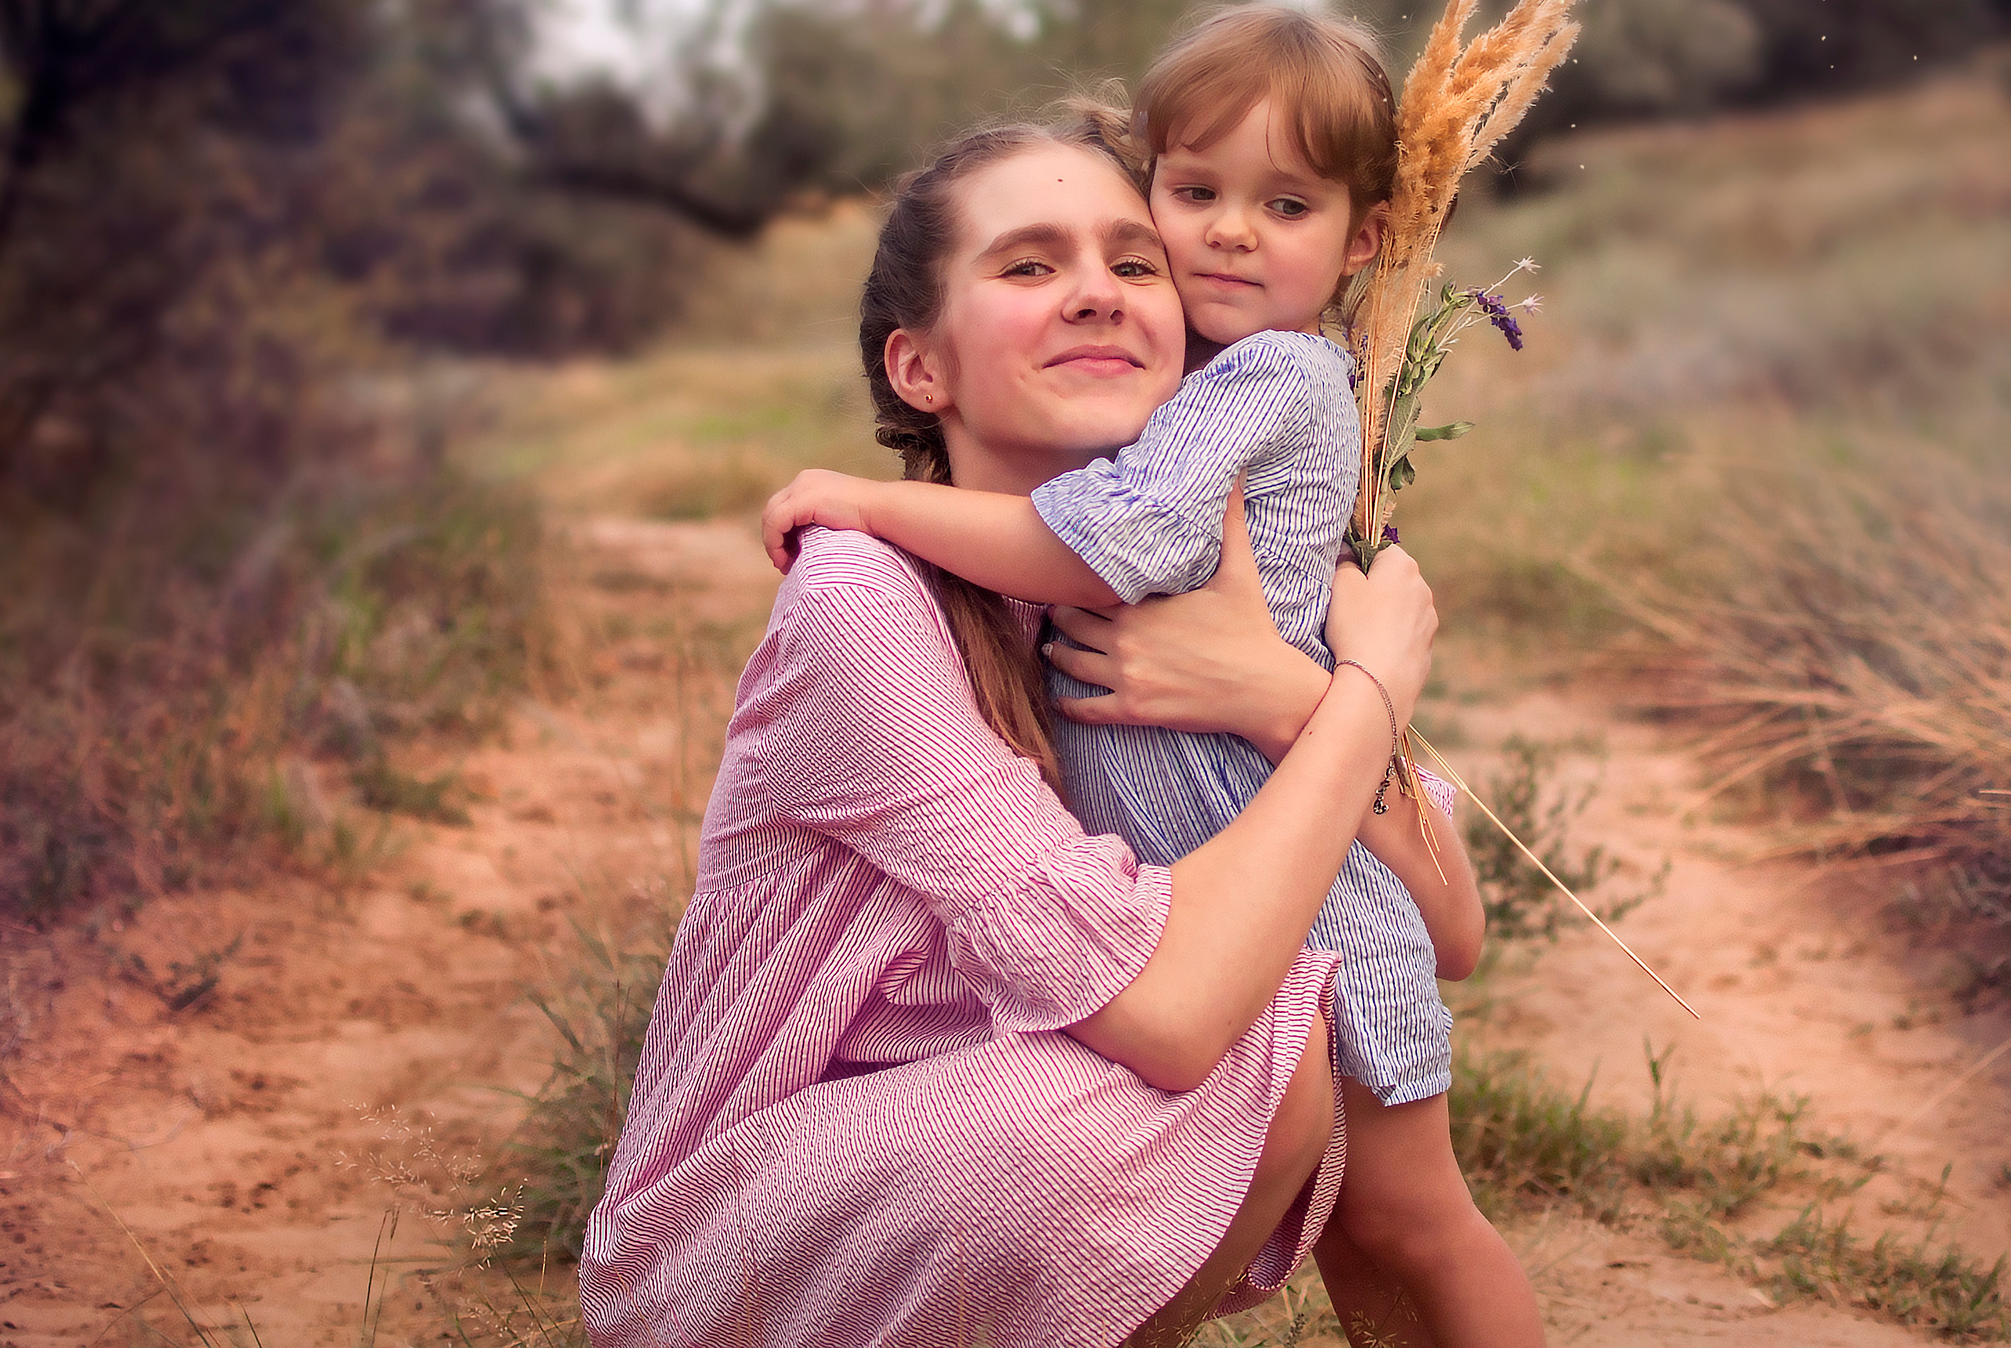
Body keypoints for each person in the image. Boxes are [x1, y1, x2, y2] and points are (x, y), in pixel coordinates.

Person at [580, 112, 1443, 1348]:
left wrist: (1278, 694)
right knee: (1246, 1042)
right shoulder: (862, 598)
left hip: (957, 1133)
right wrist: (1367, 695)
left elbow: (1447, 924)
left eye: (1133, 263)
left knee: (1275, 1037)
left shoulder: (1195, 583)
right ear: (918, 370)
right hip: (735, 1241)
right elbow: (1172, 1013)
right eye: (1030, 266)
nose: (1097, 292)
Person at [762, 9, 1545, 1346]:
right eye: (1192, 197)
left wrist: (868, 500)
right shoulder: (1217, 391)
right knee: (1377, 1245)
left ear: (1361, 240)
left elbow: (1115, 540)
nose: (1229, 233)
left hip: (1315, 910)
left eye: (1282, 203)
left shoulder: (1273, 380)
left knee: (1413, 1224)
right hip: (1232, 904)